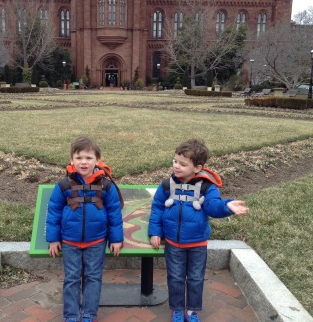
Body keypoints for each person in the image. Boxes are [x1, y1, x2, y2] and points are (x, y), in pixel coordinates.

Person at [148, 138, 249, 322]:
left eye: (182, 164)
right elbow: (157, 208)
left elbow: (212, 207)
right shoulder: (166, 185)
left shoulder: (206, 187)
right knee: (176, 277)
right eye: (175, 161)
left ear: (197, 167)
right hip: (173, 242)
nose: (176, 166)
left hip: (197, 243)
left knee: (195, 278)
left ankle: (192, 311)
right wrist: (155, 232)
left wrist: (227, 206)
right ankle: (177, 309)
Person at [46, 136, 124, 322]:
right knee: (72, 278)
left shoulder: (105, 185)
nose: (83, 162)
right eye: (79, 157)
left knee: (93, 277)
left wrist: (115, 238)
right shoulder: (64, 185)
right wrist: (53, 238)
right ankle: (71, 315)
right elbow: (54, 212)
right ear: (71, 160)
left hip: (96, 241)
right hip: (70, 241)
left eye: (89, 158)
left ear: (97, 160)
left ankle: (89, 314)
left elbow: (114, 213)